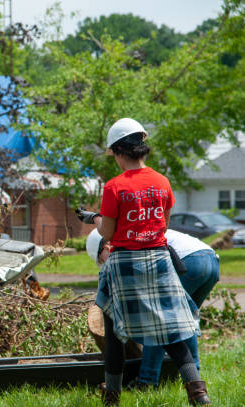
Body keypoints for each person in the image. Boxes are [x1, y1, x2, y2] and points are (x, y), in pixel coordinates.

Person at [76, 118, 211, 406]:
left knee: (113, 333)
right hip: (160, 261)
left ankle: (112, 396)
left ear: (118, 151)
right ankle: (198, 393)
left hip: (125, 264)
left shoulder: (114, 187)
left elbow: (109, 233)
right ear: (142, 147)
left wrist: (96, 218)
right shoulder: (162, 182)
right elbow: (163, 226)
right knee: (172, 331)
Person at [85, 228, 220, 387]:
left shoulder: (128, 241)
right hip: (210, 260)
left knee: (155, 320)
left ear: (105, 247)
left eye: (101, 260)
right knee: (183, 321)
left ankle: (147, 381)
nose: (103, 264)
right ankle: (193, 377)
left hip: (188, 262)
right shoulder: (134, 232)